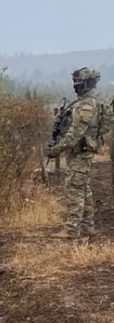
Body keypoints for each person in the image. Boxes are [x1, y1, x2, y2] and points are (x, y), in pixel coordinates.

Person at [47, 67, 105, 238]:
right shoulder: (86, 101)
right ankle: (87, 227)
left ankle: (72, 230)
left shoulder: (87, 105)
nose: (76, 85)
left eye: (79, 82)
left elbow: (75, 133)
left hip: (81, 151)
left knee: (74, 188)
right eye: (75, 82)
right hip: (80, 152)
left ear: (88, 83)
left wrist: (56, 150)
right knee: (83, 188)